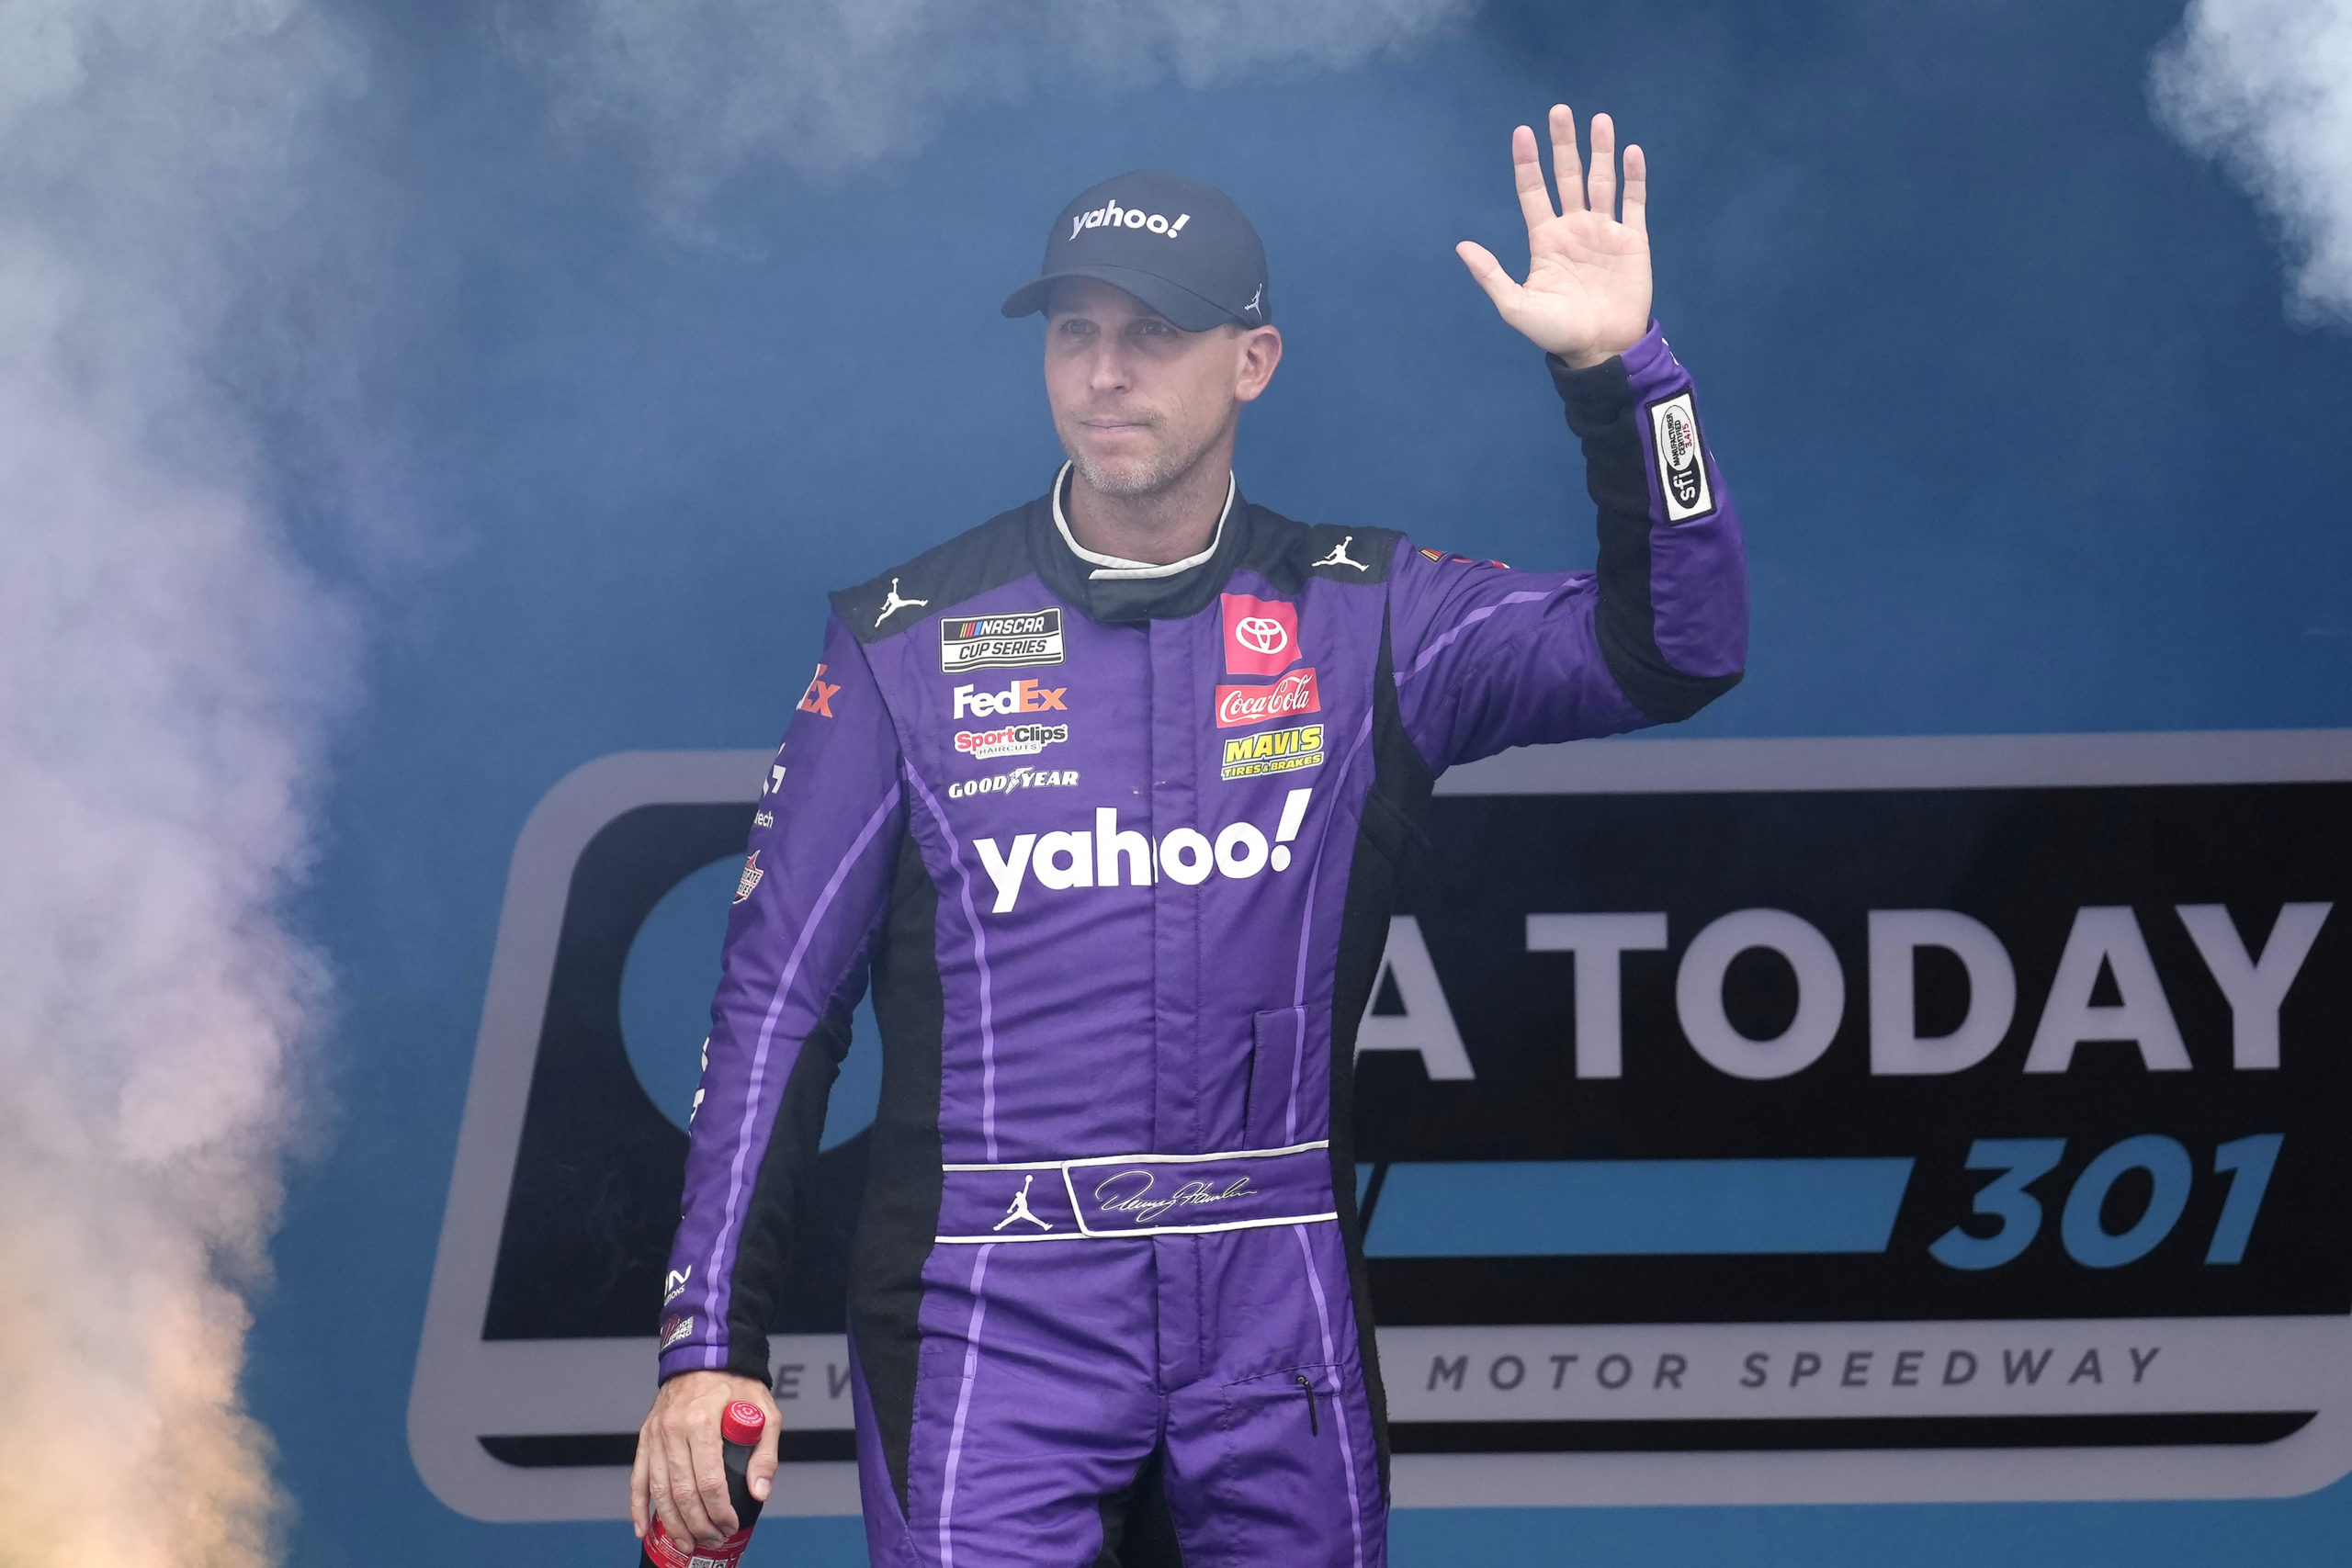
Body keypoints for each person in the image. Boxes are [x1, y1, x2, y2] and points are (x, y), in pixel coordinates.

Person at [632, 105, 1747, 1567]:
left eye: (1152, 334)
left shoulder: (1370, 617)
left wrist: (1623, 375)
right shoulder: (906, 646)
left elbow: (1676, 650)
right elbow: (774, 1012)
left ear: (1253, 361)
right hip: (991, 1315)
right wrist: (706, 1342)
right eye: (1073, 333)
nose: (1104, 373)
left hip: (1274, 1309)